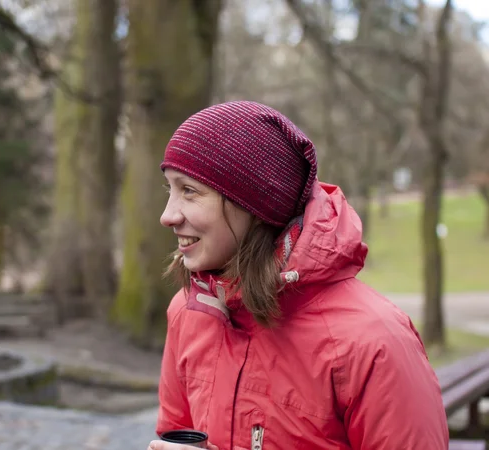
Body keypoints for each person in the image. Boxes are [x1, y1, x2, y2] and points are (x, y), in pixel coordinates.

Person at [147, 101, 449, 450]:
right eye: (170, 189)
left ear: (254, 203)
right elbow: (177, 431)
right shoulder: (188, 312)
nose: (167, 215)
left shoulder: (374, 342)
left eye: (189, 191)